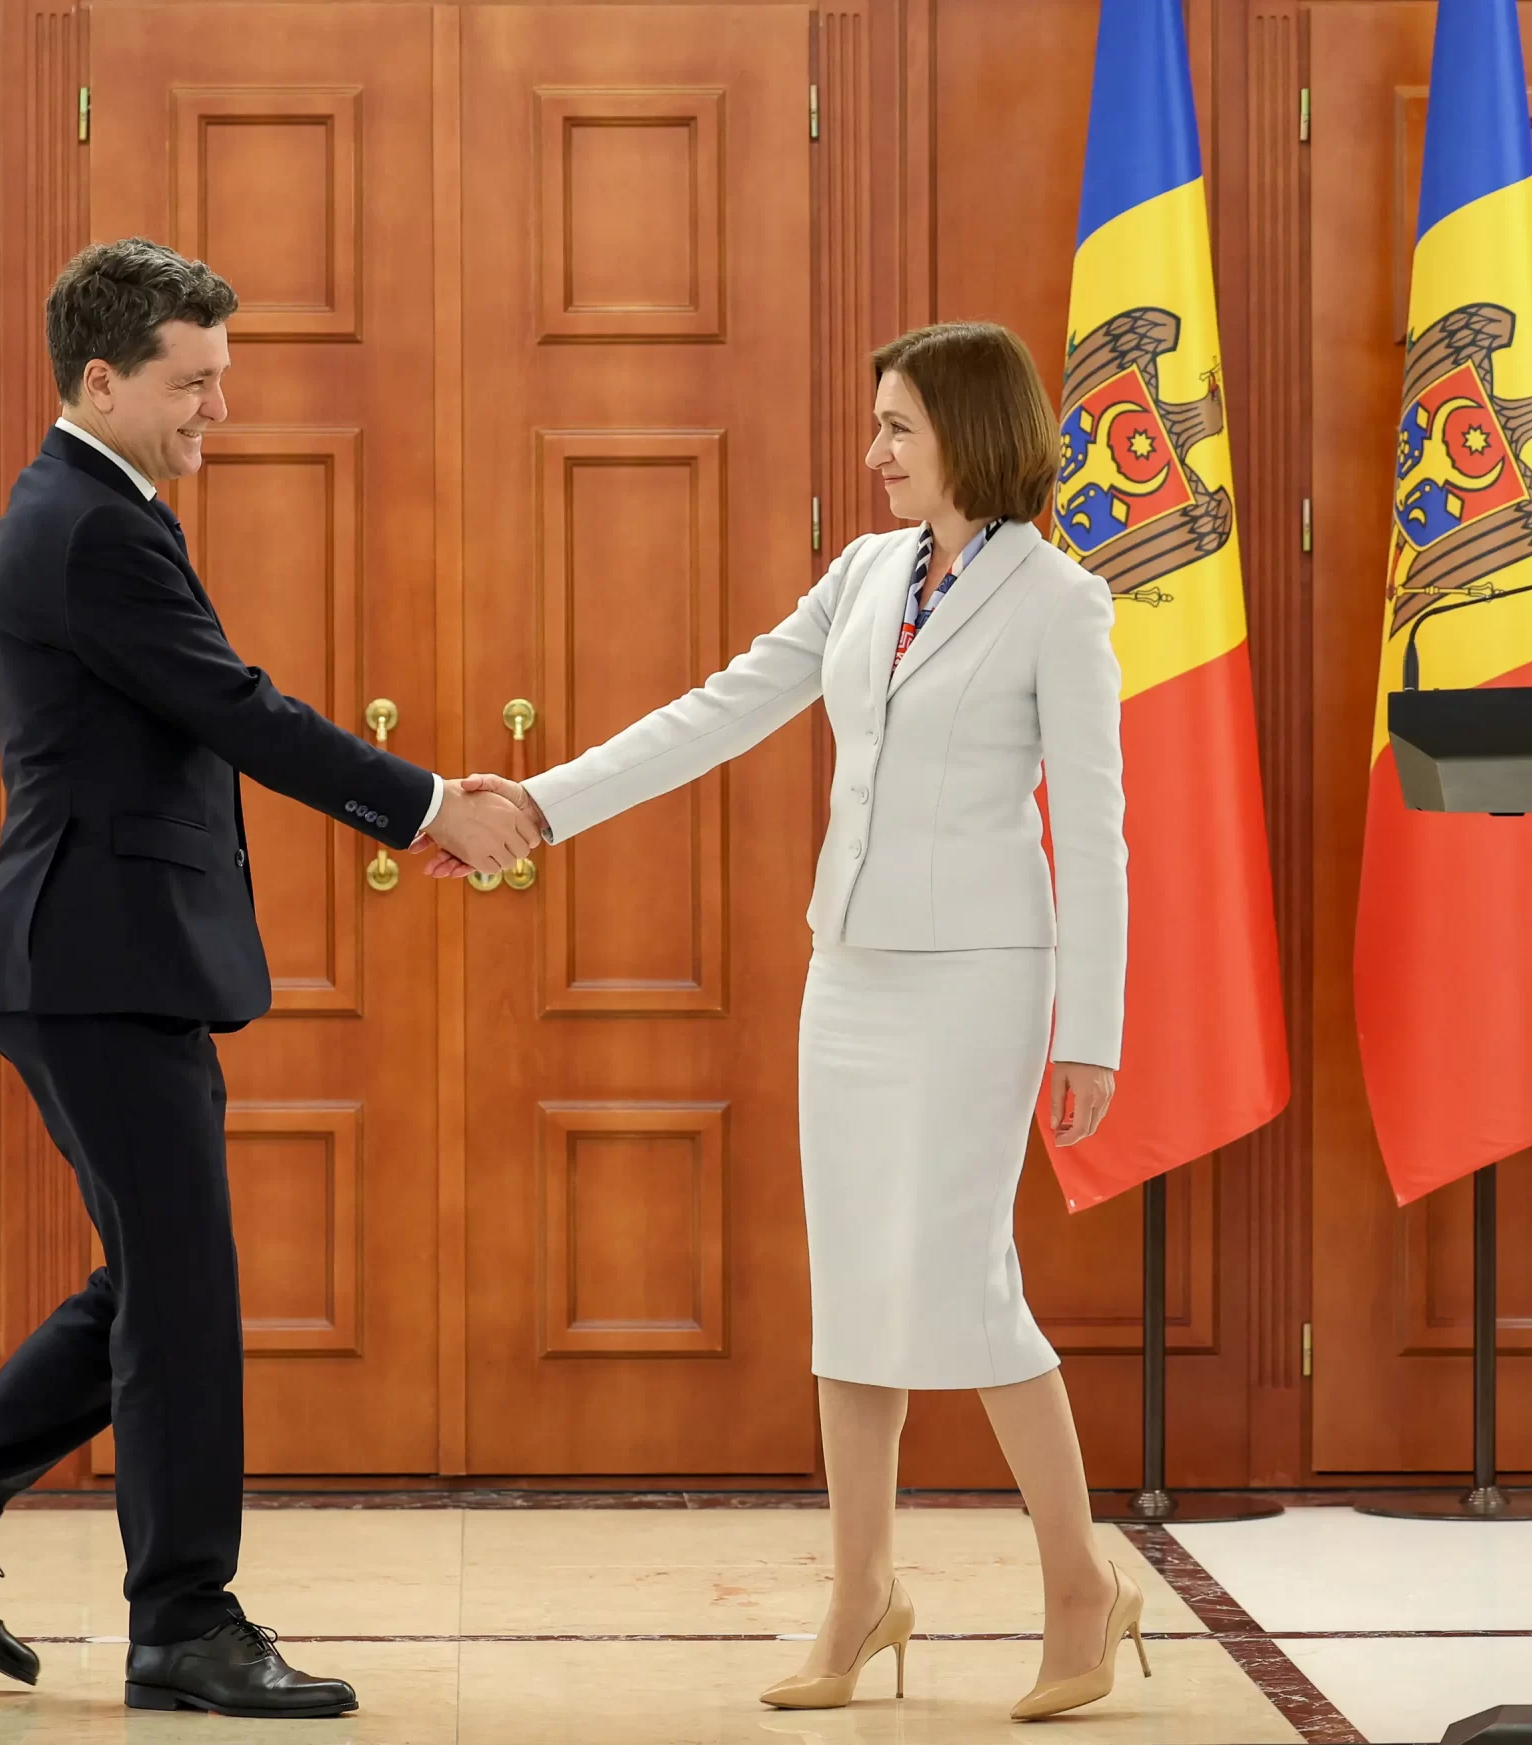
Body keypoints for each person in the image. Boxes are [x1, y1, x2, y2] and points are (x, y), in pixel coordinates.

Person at [0, 237, 537, 1720]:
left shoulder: (99, 509)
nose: (220, 408)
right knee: (184, 1300)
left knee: (157, 1283)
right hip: (95, 959)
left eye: (222, 378)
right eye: (194, 383)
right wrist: (427, 807)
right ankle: (183, 1625)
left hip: (108, 958)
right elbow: (237, 710)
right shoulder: (89, 527)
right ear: (103, 380)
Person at [441, 321, 1141, 1722]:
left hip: (982, 978)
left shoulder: (1060, 603)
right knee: (857, 1288)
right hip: (853, 974)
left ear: (970, 433)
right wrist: (540, 808)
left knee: (966, 1283)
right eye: (877, 423)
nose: (874, 452)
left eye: (897, 427)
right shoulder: (867, 575)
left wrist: (1093, 1029)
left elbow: (1097, 829)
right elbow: (716, 711)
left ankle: (1080, 1586)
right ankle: (860, 1595)